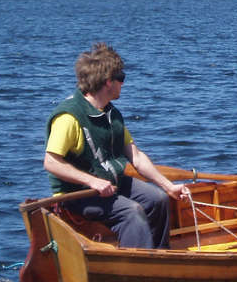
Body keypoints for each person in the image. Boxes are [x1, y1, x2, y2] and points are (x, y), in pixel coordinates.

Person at [43, 42, 189, 249]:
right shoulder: (69, 117)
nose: (123, 84)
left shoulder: (112, 115)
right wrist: (93, 182)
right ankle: (133, 269)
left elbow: (136, 157)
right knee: (132, 212)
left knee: (157, 199)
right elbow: (51, 162)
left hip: (111, 182)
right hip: (78, 194)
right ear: (108, 82)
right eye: (121, 78)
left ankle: (157, 257)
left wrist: (168, 186)